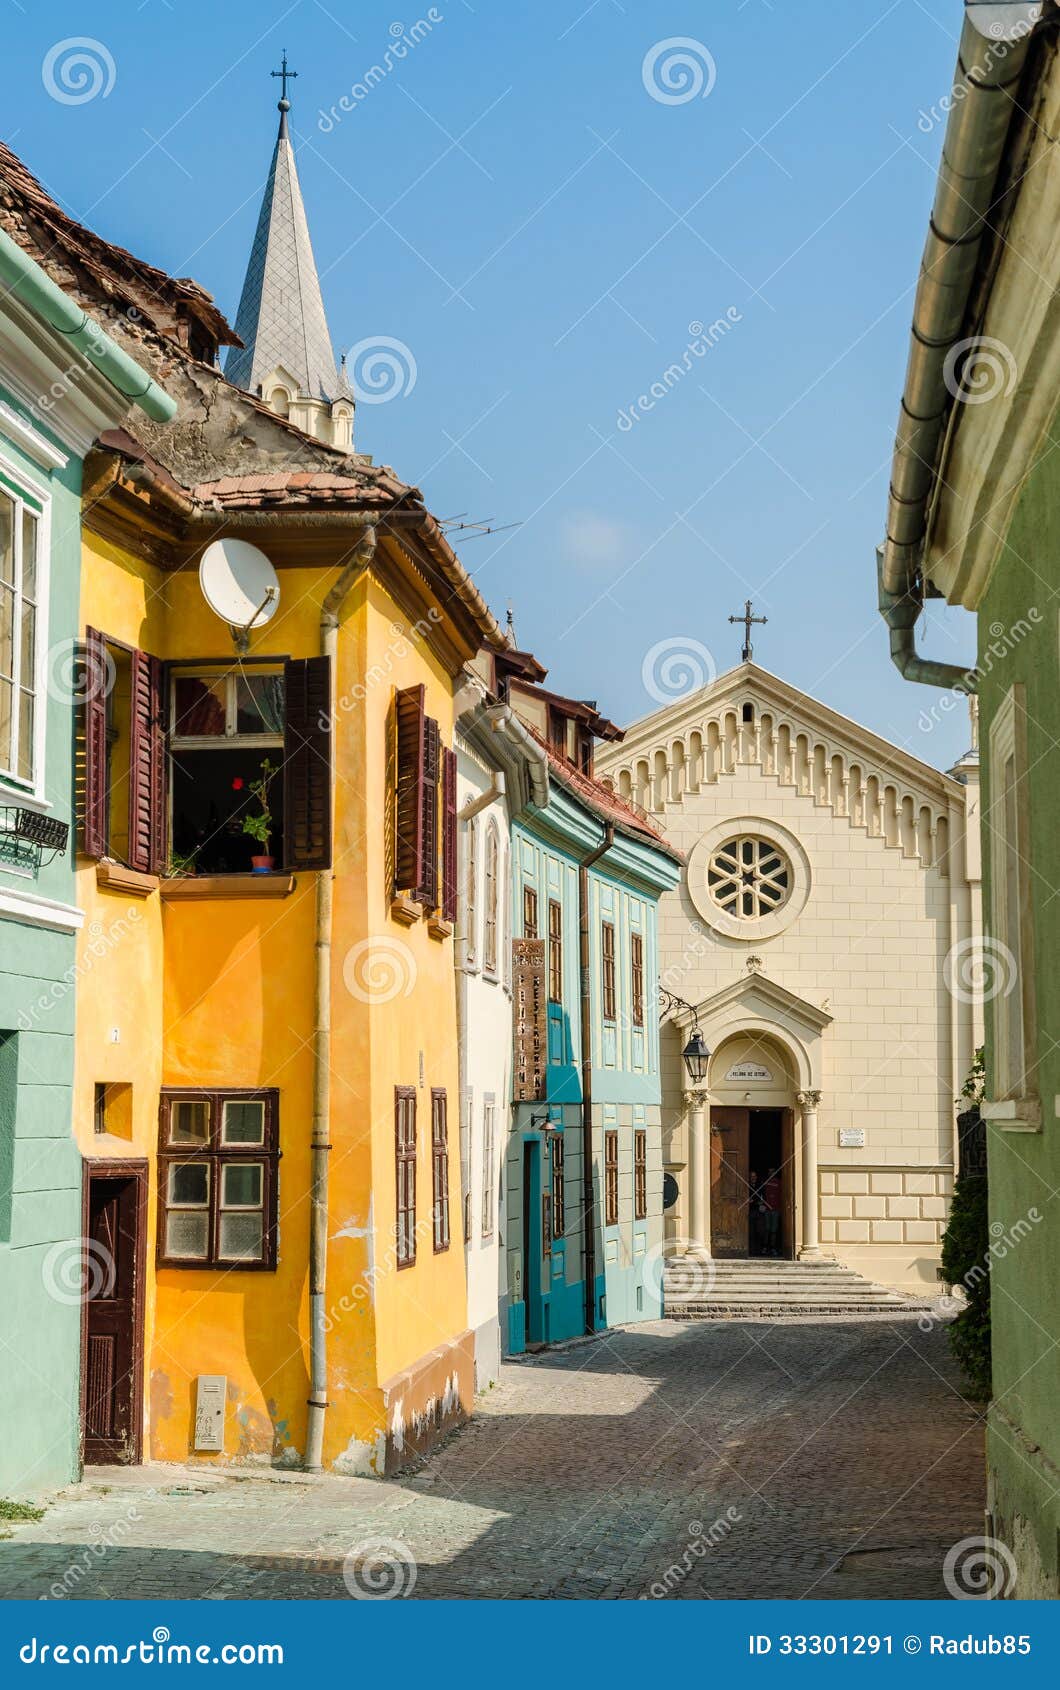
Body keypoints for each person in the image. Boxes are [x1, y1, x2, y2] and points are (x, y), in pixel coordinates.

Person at [760, 1168, 782, 1257]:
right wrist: (762, 1203)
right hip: (767, 1209)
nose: (771, 1173)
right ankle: (765, 1247)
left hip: (775, 1210)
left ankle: (773, 1248)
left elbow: (782, 1195)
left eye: (773, 1171)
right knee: (767, 1229)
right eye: (769, 1172)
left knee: (774, 1230)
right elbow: (761, 1194)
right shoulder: (765, 1182)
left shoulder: (779, 1182)